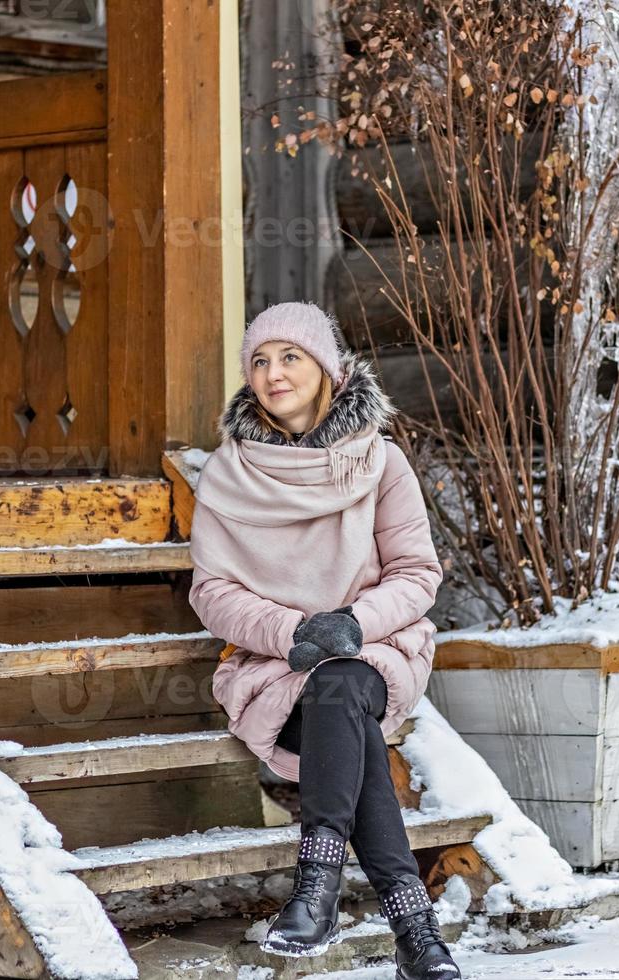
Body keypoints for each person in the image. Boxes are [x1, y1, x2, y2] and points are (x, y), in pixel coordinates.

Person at [187, 301, 460, 977]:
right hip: (273, 667)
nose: (273, 373)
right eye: (259, 360)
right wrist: (292, 631)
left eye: (290, 357)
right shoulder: (229, 473)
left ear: (327, 370)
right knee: (343, 713)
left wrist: (354, 625)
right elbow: (212, 591)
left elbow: (417, 573)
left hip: (374, 648)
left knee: (342, 681)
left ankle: (316, 889)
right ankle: (415, 936)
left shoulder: (381, 462)